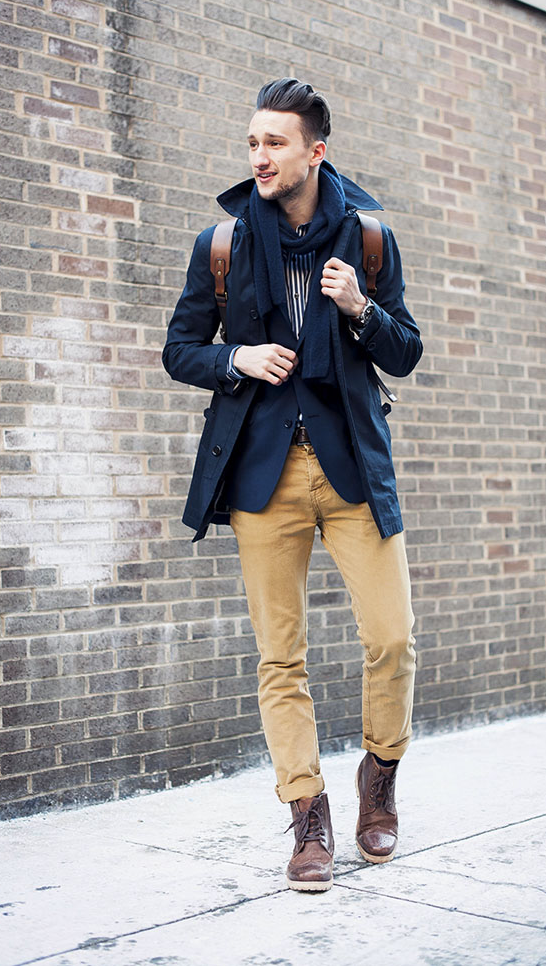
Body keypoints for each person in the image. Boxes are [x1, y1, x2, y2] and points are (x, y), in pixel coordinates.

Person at [163, 78, 423, 893]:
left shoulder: (370, 239)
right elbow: (180, 349)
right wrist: (233, 359)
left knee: (392, 638)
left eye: (274, 143)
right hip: (262, 475)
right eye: (251, 143)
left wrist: (361, 310)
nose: (258, 157)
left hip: (350, 470)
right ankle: (307, 817)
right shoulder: (224, 244)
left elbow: (406, 350)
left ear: (317, 151)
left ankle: (376, 784)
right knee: (282, 657)